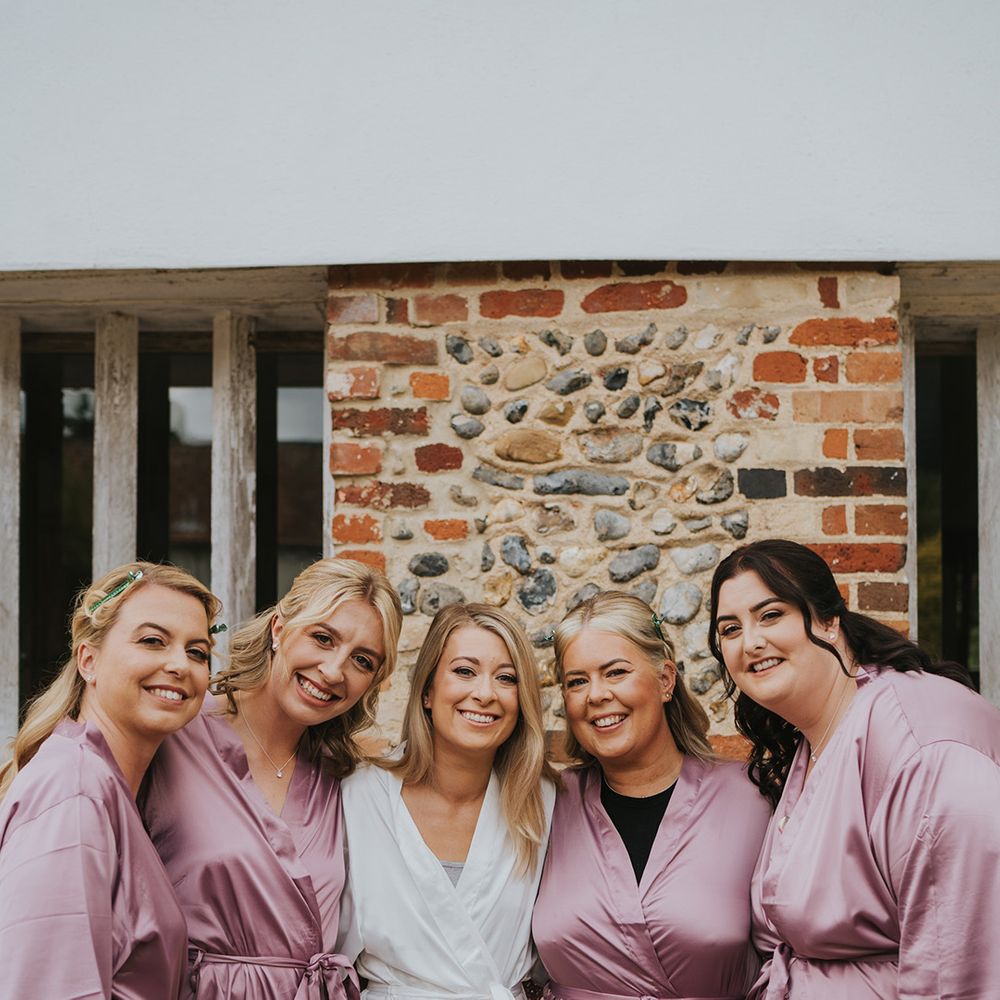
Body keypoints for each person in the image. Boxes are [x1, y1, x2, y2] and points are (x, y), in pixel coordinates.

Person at [709, 538, 1000, 1000]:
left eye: (771, 615)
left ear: (828, 618)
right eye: (730, 629)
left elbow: (958, 969)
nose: (751, 642)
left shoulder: (921, 743)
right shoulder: (818, 736)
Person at [143, 558, 402, 1000]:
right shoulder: (174, 733)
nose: (334, 670)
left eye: (362, 660)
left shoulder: (342, 778)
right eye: (323, 638)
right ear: (279, 629)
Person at [531, 591, 770, 1000]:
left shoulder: (754, 798)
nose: (596, 695)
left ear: (665, 680)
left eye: (616, 672)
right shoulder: (545, 804)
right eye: (576, 681)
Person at [0, 562, 221, 1000]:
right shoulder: (72, 789)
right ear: (88, 660)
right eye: (153, 641)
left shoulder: (113, 785)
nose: (180, 664)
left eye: (197, 652)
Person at [338, 603, 558, 1000]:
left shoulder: (544, 801)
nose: (485, 693)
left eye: (506, 678)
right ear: (427, 691)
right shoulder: (359, 797)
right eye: (464, 671)